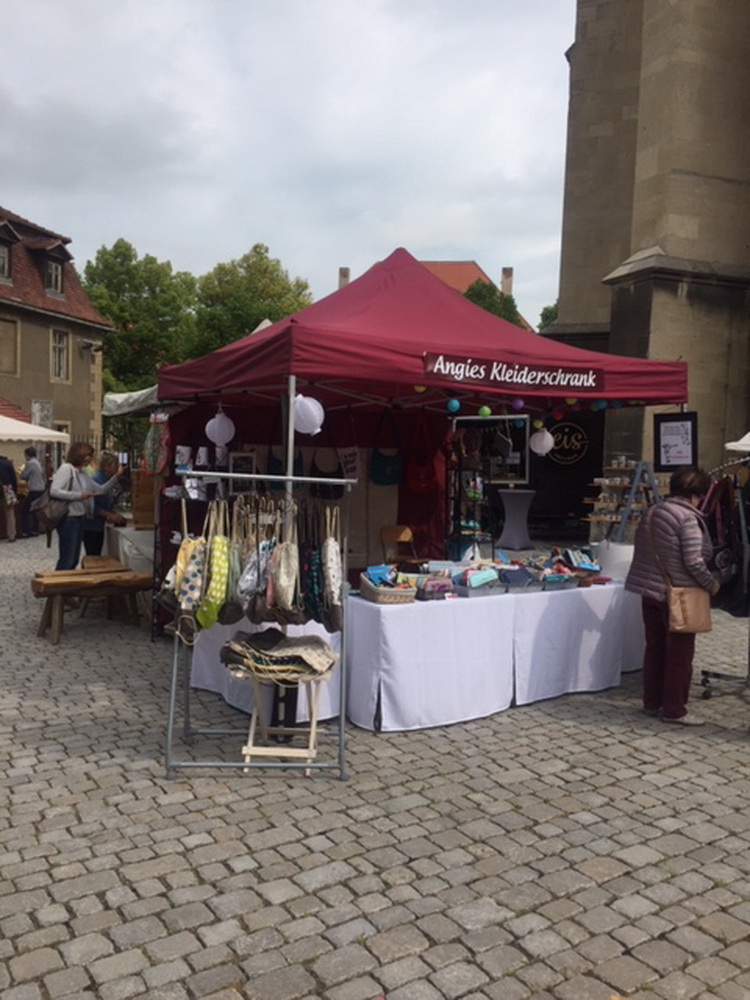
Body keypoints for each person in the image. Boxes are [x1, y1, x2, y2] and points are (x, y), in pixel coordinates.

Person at [625, 466, 720, 726]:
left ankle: (652, 702)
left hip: (649, 591)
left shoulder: (652, 512)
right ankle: (674, 709)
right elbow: (694, 561)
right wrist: (711, 585)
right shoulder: (687, 518)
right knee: (679, 654)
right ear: (697, 494)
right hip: (678, 593)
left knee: (654, 649)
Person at [49, 442, 120, 570]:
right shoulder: (66, 469)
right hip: (69, 519)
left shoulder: (82, 474)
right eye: (89, 455)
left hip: (80, 518)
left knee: (74, 558)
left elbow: (101, 490)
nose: (91, 458)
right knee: (68, 557)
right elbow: (54, 491)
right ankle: (59, 585)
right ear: (80, 454)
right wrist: (79, 496)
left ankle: (67, 585)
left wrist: (116, 477)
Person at [82, 451, 126, 556]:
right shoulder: (97, 480)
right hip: (91, 526)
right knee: (93, 554)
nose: (117, 468)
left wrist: (113, 513)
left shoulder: (108, 480)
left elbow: (108, 502)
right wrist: (107, 514)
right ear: (106, 467)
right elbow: (91, 505)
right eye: (115, 465)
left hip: (99, 526)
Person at [19, 446, 46, 537]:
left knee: (26, 510)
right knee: (35, 509)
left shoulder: (30, 463)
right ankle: (35, 529)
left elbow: (24, 475)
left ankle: (27, 531)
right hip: (41, 488)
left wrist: (20, 473)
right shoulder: (37, 462)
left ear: (27, 455)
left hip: (34, 489)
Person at [0, 454, 19, 542]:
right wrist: (15, 492)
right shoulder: (8, 463)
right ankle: (11, 535)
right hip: (8, 488)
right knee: (10, 513)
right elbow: (14, 479)